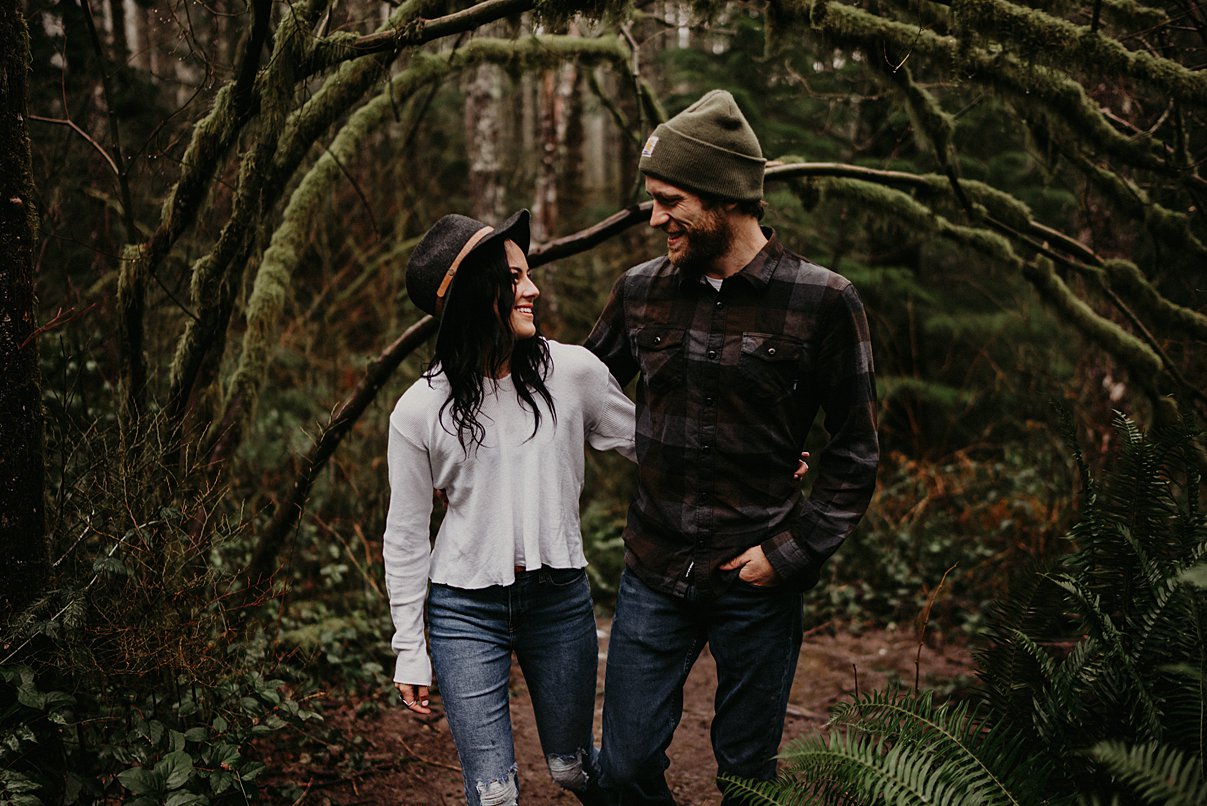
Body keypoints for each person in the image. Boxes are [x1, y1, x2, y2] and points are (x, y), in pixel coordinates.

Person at [584, 90, 880, 804]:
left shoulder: (824, 301)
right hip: (654, 570)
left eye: (668, 200)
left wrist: (788, 554)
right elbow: (568, 396)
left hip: (756, 578)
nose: (654, 218)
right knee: (621, 769)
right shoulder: (638, 292)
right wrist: (466, 439)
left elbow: (854, 450)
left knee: (748, 778)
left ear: (724, 197)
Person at [381, 209, 635, 806]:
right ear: (476, 294)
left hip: (558, 603)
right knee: (493, 796)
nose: (533, 290)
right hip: (464, 612)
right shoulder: (419, 410)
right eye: (515, 279)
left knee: (573, 769)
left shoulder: (572, 373)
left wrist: (762, 459)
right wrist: (409, 649)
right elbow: (406, 536)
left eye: (529, 275)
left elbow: (658, 445)